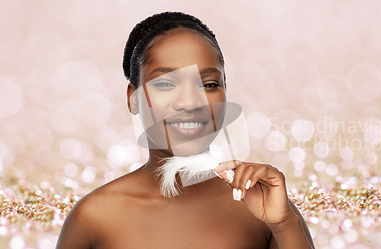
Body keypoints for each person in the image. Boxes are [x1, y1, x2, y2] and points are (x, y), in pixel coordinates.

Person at [56, 11, 314, 249]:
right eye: (166, 84)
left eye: (209, 84)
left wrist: (283, 224)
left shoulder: (264, 209)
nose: (191, 102)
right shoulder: (94, 217)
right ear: (133, 98)